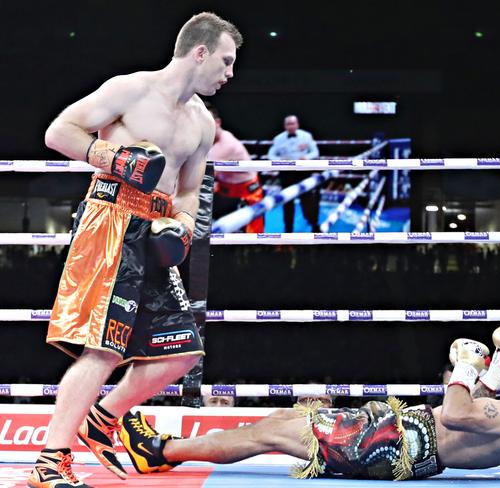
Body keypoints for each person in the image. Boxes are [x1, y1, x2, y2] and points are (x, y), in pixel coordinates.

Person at [28, 12, 243, 488]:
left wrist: (183, 225)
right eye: (225, 61)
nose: (230, 73)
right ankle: (49, 462)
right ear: (199, 51)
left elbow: (189, 189)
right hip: (110, 220)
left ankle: (102, 417)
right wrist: (115, 159)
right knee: (102, 351)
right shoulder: (130, 89)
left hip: (156, 227)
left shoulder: (202, 123)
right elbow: (59, 131)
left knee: (183, 352)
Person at [120, 327, 500, 481]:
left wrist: (468, 367)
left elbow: (456, 414)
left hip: (388, 441)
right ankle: (171, 449)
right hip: (398, 440)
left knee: (265, 434)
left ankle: (161, 452)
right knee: (285, 419)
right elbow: (475, 419)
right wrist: (496, 372)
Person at [206, 104, 264, 233]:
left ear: (218, 122)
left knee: (250, 237)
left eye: (208, 122)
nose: (205, 127)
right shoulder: (209, 140)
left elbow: (203, 175)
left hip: (247, 192)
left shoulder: (225, 144)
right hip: (225, 190)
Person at [267, 115, 321, 232]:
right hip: (286, 174)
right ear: (285, 126)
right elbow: (271, 155)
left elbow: (315, 152)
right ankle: (288, 231)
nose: (291, 126)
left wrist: (306, 157)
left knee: (308, 201)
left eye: (293, 123)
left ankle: (314, 226)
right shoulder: (278, 139)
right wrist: (280, 161)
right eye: (288, 124)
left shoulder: (306, 136)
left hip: (303, 172)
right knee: (287, 202)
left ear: (297, 124)